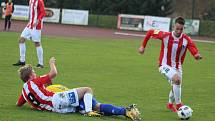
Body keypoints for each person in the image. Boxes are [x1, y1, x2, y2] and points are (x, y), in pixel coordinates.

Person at [16, 57, 141, 121]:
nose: (35, 74)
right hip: (57, 100)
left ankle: (125, 112)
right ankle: (87, 111)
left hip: (56, 110)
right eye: (34, 72)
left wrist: (35, 104)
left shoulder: (24, 91)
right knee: (87, 90)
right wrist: (51, 63)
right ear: (30, 76)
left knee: (95, 105)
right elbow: (53, 73)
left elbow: (19, 104)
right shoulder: (34, 81)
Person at [138, 16, 202, 112]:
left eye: (181, 29)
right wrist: (143, 46)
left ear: (183, 28)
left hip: (178, 66)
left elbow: (193, 49)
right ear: (173, 27)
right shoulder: (165, 35)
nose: (179, 31)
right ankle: (179, 105)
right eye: (177, 29)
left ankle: (170, 104)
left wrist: (196, 55)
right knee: (177, 80)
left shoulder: (186, 39)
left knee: (176, 85)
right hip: (164, 65)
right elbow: (150, 32)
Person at [13, 0, 46, 68]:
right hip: (30, 25)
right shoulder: (31, 0)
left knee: (37, 43)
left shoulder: (39, 1)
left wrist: (38, 20)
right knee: (21, 40)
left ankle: (41, 63)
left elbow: (43, 12)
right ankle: (22, 61)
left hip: (36, 26)